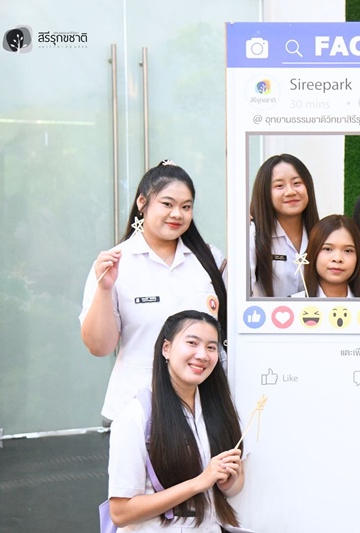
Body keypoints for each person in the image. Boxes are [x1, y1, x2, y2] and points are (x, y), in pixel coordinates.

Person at [80, 160, 228, 423]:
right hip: (137, 410)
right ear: (142, 202)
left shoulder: (210, 259)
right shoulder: (115, 263)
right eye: (167, 204)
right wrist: (104, 289)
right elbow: (99, 346)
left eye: (186, 207)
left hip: (204, 407)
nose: (177, 214)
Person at [107, 310, 244, 531]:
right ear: (166, 348)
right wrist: (198, 483)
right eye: (192, 343)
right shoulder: (137, 415)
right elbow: (120, 512)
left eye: (211, 347)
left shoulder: (218, 407)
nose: (202, 355)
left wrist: (227, 483)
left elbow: (236, 485)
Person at [249, 154, 320, 297]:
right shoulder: (252, 235)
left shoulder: (322, 234)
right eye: (279, 186)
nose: (290, 192)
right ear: (264, 192)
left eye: (297, 183)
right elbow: (239, 294)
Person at [293, 214, 360, 298]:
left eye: (348, 251)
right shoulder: (292, 303)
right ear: (313, 252)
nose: (337, 259)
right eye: (327, 249)